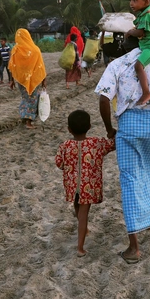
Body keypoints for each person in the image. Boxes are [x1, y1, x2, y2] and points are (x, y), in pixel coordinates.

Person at [95, 37, 150, 264]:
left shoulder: (117, 64)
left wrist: (109, 128)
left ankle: (134, 247)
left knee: (130, 180)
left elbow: (103, 98)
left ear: (124, 45)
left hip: (128, 128)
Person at [55, 110, 116, 257]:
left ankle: (85, 230)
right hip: (88, 187)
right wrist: (113, 133)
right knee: (83, 214)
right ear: (89, 126)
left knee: (77, 205)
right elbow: (112, 145)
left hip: (72, 185)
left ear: (69, 129)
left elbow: (59, 163)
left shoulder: (65, 145)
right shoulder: (96, 143)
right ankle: (80, 248)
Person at [9, 29, 48, 129]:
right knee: (32, 100)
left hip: (21, 79)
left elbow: (12, 67)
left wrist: (12, 80)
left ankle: (24, 117)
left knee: (25, 97)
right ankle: (28, 122)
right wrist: (44, 80)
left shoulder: (15, 50)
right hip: (34, 80)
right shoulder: (35, 50)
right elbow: (40, 66)